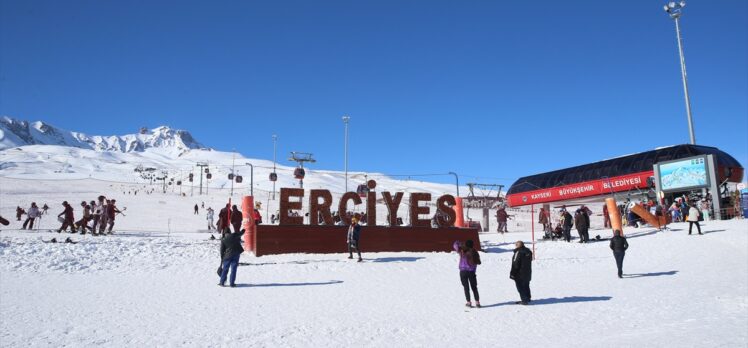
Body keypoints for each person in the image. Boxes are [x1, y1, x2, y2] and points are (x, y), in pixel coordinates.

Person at [453, 240, 481, 308]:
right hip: (471, 272)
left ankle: (469, 302)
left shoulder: (462, 250)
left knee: (466, 287)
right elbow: (477, 262)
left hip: (463, 272)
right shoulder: (475, 252)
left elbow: (455, 245)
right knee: (474, 287)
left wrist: (460, 243)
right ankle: (477, 303)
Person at [510, 240, 533, 305]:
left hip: (519, 273)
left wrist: (512, 273)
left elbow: (515, 264)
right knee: (526, 285)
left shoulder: (518, 252)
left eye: (516, 245)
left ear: (518, 245)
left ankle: (524, 300)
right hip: (527, 272)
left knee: (520, 287)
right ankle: (528, 298)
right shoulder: (528, 251)